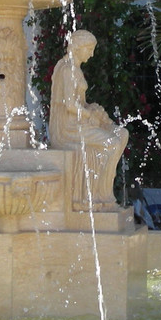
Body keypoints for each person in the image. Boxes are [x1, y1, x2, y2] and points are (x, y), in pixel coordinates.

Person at [49, 29, 128, 210]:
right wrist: (90, 115)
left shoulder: (74, 68)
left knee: (122, 133)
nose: (91, 54)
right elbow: (70, 105)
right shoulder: (68, 70)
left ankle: (104, 190)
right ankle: (102, 196)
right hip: (68, 128)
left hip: (79, 121)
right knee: (112, 143)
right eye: (89, 49)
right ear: (79, 48)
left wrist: (92, 109)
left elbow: (79, 103)